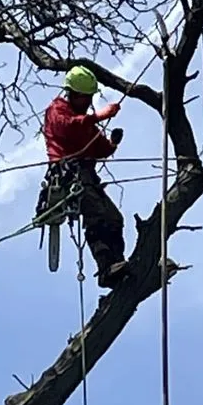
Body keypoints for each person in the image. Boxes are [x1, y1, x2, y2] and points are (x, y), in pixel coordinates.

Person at [39, 65, 129, 289]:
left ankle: (118, 264)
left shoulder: (85, 121)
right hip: (69, 173)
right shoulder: (57, 111)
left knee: (115, 218)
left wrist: (113, 143)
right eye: (86, 97)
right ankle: (106, 268)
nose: (89, 102)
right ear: (73, 94)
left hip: (88, 175)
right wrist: (99, 116)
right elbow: (68, 128)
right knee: (96, 215)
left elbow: (100, 148)